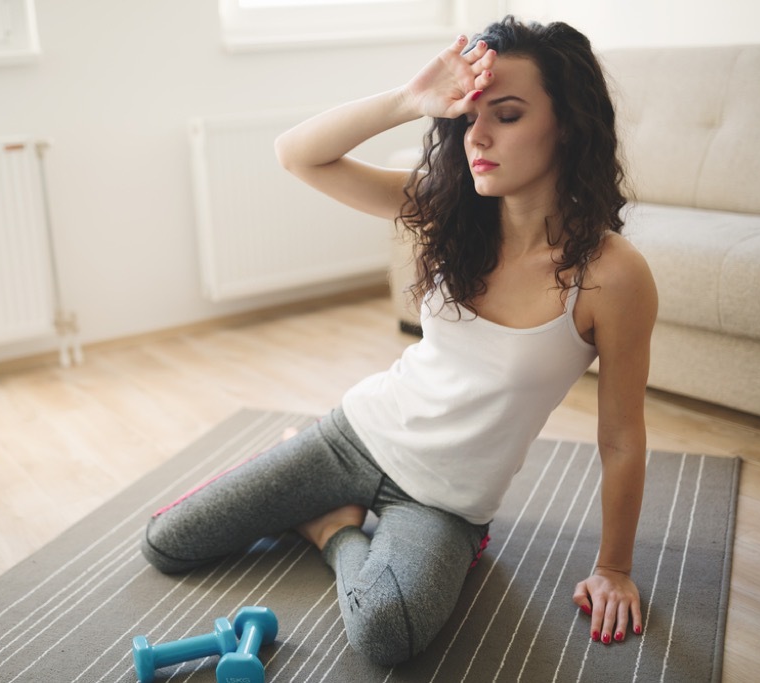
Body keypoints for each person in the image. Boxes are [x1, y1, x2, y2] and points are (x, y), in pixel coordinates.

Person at [141, 15, 657, 666]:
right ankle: (335, 507)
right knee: (169, 541)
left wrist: (613, 566)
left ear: (569, 123)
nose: (480, 136)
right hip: (357, 432)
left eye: (508, 114)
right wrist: (410, 100)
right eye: (469, 117)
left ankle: (332, 526)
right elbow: (297, 153)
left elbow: (620, 437)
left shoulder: (612, 275)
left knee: (386, 632)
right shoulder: (448, 207)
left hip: (445, 501)